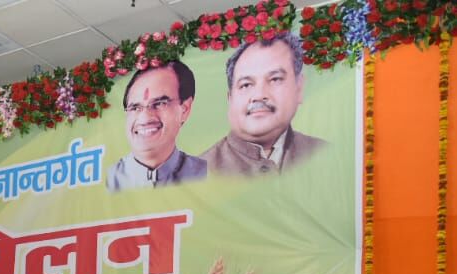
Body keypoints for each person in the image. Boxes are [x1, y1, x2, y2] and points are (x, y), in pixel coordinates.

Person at [202, 32, 326, 177]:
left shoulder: (325, 155)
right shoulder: (200, 171)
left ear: (299, 88)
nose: (259, 95)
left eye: (275, 79)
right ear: (230, 99)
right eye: (246, 85)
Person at [108, 60, 207, 192]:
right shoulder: (109, 180)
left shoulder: (206, 174)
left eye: (160, 103)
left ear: (184, 109)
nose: (145, 118)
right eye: (135, 107)